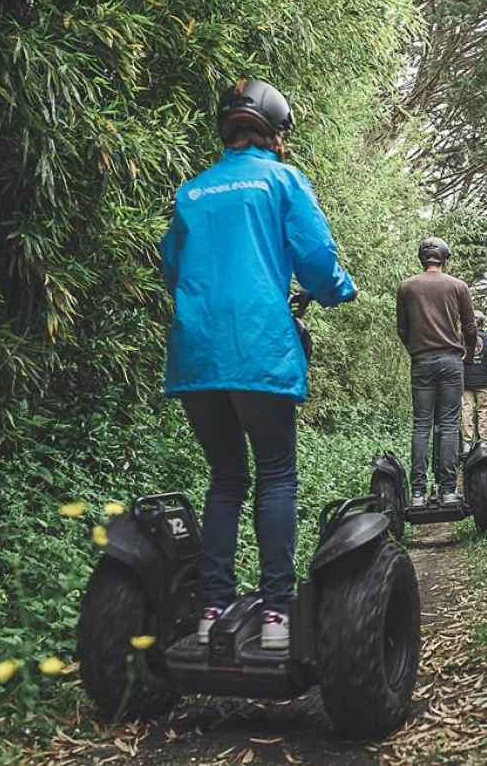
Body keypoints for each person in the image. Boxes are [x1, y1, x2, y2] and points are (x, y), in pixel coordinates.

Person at [159, 79, 357, 651]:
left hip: (197, 351)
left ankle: (212, 609)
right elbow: (317, 260)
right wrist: (338, 291)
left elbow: (173, 268)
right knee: (276, 473)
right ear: (274, 134)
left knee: (225, 478)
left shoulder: (191, 192)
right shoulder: (281, 180)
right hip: (259, 347)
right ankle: (276, 615)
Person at [396, 238, 476, 508]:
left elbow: (402, 329)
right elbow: (470, 328)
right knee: (449, 424)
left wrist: (415, 351)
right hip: (451, 360)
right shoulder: (458, 286)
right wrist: (468, 353)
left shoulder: (406, 287)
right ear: (444, 258)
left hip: (421, 362)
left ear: (422, 258)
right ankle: (447, 490)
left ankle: (417, 494)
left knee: (421, 425)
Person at [460, 311, 487, 453]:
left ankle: (467, 445)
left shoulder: (462, 338)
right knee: (483, 410)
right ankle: (484, 443)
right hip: (483, 381)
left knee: (466, 410)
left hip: (466, 380)